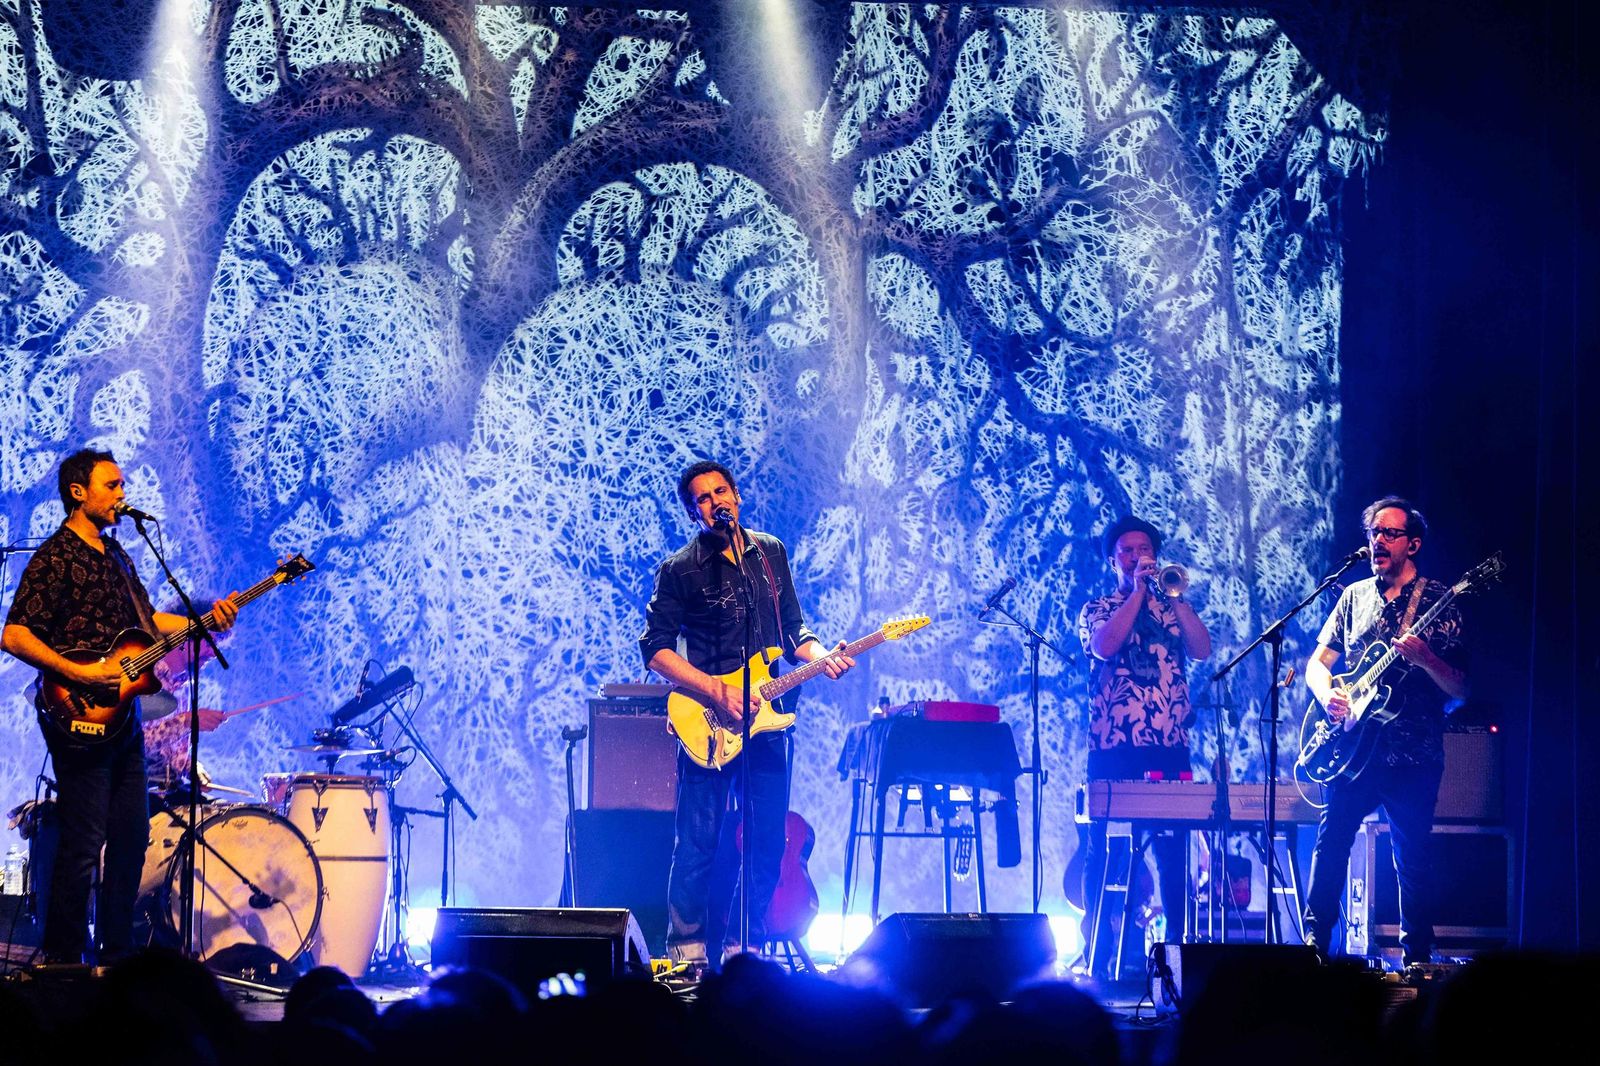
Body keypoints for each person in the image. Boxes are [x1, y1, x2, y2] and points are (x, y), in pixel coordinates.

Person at [1, 448, 238, 963]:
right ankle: (62, 962)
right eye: (112, 485)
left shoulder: (118, 556)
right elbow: (15, 634)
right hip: (78, 711)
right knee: (84, 840)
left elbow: (151, 621)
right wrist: (80, 672)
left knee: (132, 838)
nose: (122, 495)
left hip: (124, 717)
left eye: (122, 485)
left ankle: (117, 959)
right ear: (78, 492)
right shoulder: (56, 557)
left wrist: (208, 620)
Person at [639, 460, 853, 972]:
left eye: (721, 491)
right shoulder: (681, 569)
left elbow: (795, 631)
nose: (717, 502)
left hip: (768, 721)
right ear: (694, 513)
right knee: (699, 841)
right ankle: (686, 954)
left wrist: (821, 657)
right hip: (709, 724)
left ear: (736, 494)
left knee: (765, 843)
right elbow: (655, 649)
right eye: (704, 499)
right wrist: (715, 691)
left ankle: (745, 953)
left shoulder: (770, 553)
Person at [1301, 497, 1467, 968]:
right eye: (1374, 532)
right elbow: (1318, 663)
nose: (1378, 540)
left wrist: (1427, 660)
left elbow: (1463, 687)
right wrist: (1327, 693)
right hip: (1355, 749)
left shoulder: (1439, 600)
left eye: (1389, 533)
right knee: (1331, 839)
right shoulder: (1353, 596)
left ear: (1412, 543)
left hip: (1413, 752)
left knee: (1412, 854)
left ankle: (1416, 955)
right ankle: (1315, 944)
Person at [1076, 515, 1211, 979]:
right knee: (1105, 854)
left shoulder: (1172, 607)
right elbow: (1104, 646)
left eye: (1144, 550)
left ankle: (1177, 961)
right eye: (1128, 551)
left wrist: (1174, 598)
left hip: (1169, 745)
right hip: (1114, 746)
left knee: (1173, 855)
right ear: (1113, 559)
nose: (1138, 557)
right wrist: (1136, 593)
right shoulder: (1098, 606)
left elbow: (1202, 650)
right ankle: (1101, 956)